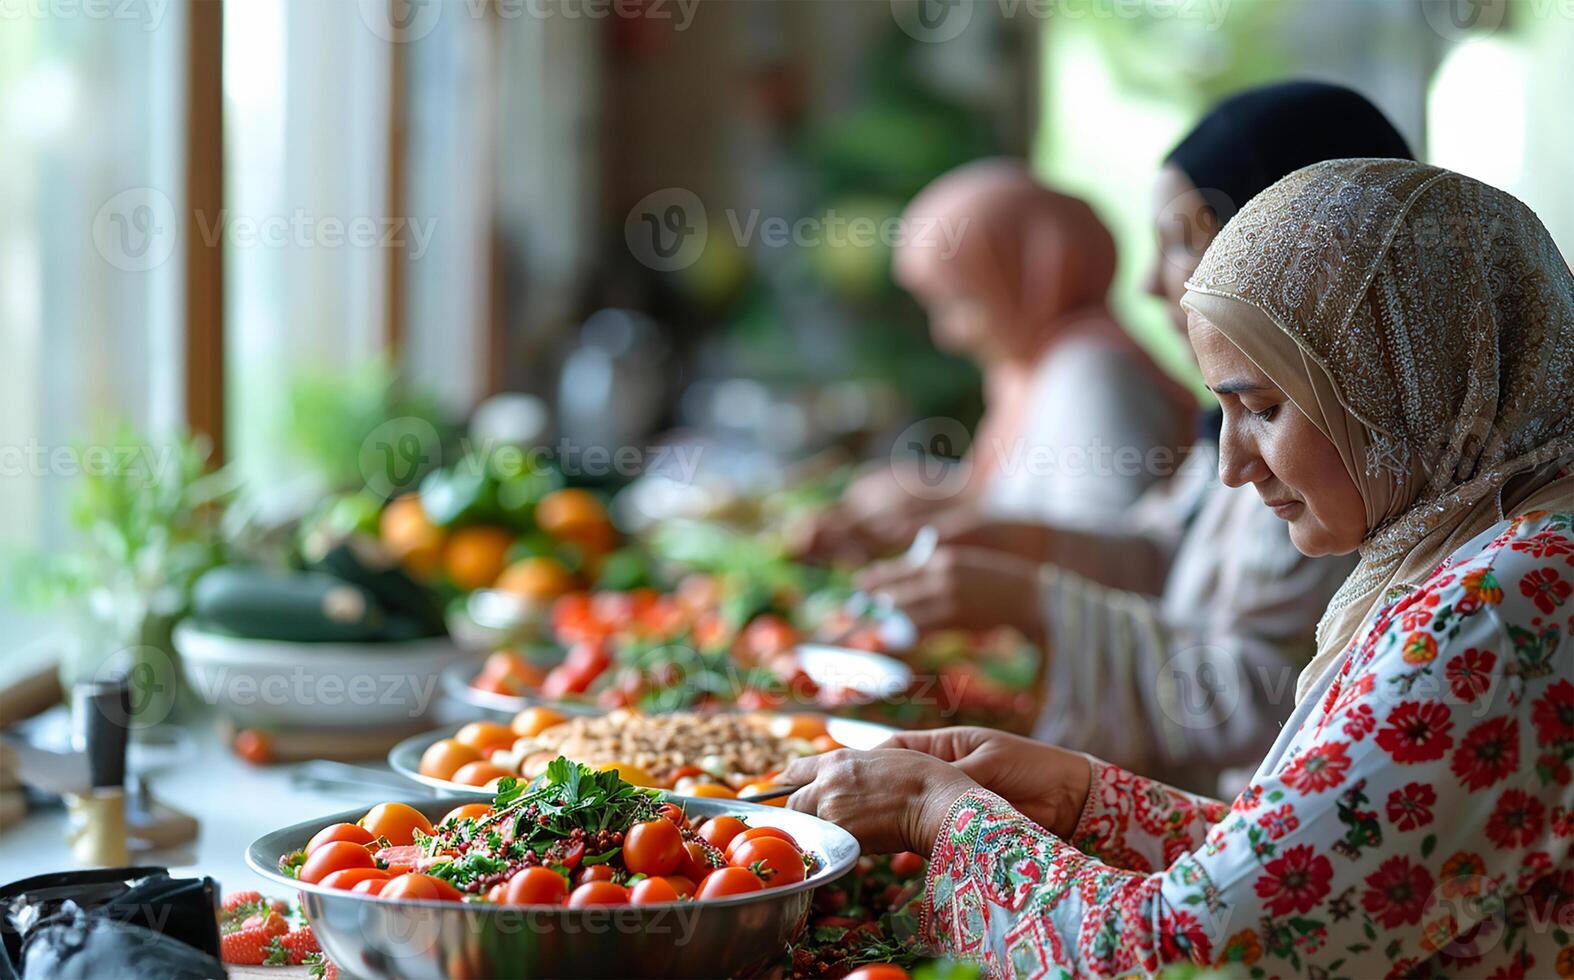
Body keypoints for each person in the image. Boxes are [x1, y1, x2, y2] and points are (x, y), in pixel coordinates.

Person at [786, 159, 1574, 977]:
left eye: (1265, 409)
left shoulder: (1495, 607)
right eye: (1224, 410)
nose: (1232, 465)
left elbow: (1186, 956)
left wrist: (936, 812)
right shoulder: (1499, 558)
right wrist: (1086, 799)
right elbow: (1315, 883)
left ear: (1407, 383)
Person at [854, 81, 1410, 791]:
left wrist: (1033, 600)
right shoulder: (1251, 429)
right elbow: (1169, 551)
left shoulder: (1333, 458)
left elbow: (1276, 692)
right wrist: (1015, 545)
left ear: (1294, 252)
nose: (1153, 286)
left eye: (1185, 243)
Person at [800, 160, 1195, 563]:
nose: (948, 335)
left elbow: (1107, 556)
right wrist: (938, 496)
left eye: (962, 302)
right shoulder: (1029, 372)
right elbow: (1029, 503)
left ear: (1033, 274)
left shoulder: (1089, 373)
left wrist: (945, 519)